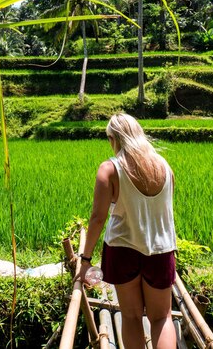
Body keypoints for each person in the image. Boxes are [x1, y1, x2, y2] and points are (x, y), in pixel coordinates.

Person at [75, 112, 177, 349]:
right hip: (160, 251)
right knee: (162, 318)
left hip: (123, 252)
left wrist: (86, 260)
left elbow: (98, 217)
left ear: (114, 139)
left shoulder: (109, 169)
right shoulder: (164, 166)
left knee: (130, 316)